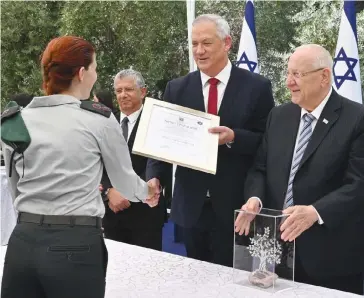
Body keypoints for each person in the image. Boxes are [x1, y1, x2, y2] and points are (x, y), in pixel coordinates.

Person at [0, 36, 159, 298]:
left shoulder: (16, 121)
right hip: (74, 244)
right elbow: (126, 183)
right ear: (82, 73)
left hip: (22, 241)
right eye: (95, 68)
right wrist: (147, 192)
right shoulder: (99, 120)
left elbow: (16, 187)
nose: (96, 75)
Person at [147, 14, 274, 267]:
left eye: (206, 43)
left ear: (226, 43)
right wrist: (154, 176)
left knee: (233, 282)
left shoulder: (256, 87)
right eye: (194, 44)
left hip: (236, 208)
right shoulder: (177, 88)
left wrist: (233, 138)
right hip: (191, 207)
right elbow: (161, 141)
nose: (199, 51)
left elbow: (267, 143)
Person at [235, 44, 364, 295]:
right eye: (288, 73)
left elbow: (358, 183)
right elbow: (260, 168)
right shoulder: (279, 115)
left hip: (332, 259)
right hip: (277, 256)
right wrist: (254, 199)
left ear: (324, 76)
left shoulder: (356, 118)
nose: (289, 82)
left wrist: (315, 212)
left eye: (297, 75)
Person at [101, 69, 166, 251]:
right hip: (112, 209)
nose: (123, 95)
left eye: (128, 89)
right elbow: (96, 161)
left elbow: (160, 162)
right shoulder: (105, 121)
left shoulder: (157, 122)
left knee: (147, 272)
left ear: (143, 92)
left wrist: (131, 191)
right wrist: (108, 191)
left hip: (146, 212)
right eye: (119, 90)